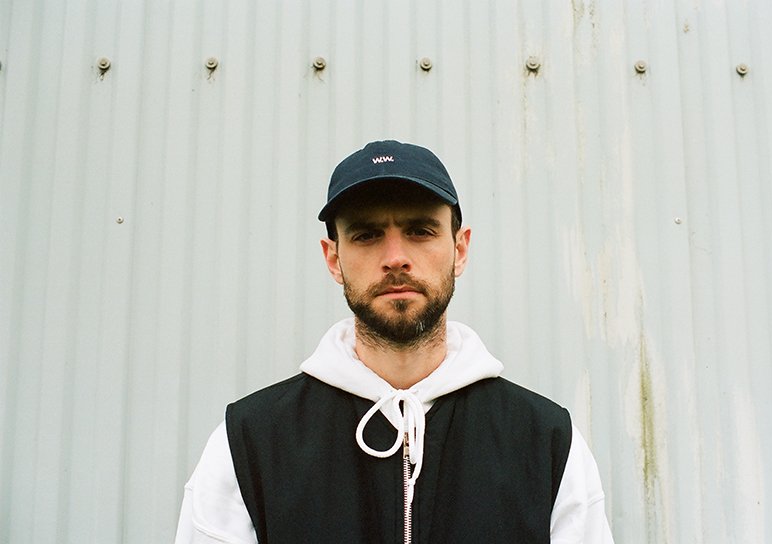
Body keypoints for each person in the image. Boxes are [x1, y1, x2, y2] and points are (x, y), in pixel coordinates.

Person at [174, 140, 614, 543]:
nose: (395, 258)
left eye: (420, 230)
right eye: (366, 235)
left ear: (460, 250)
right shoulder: (250, 443)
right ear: (334, 258)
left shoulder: (545, 442)